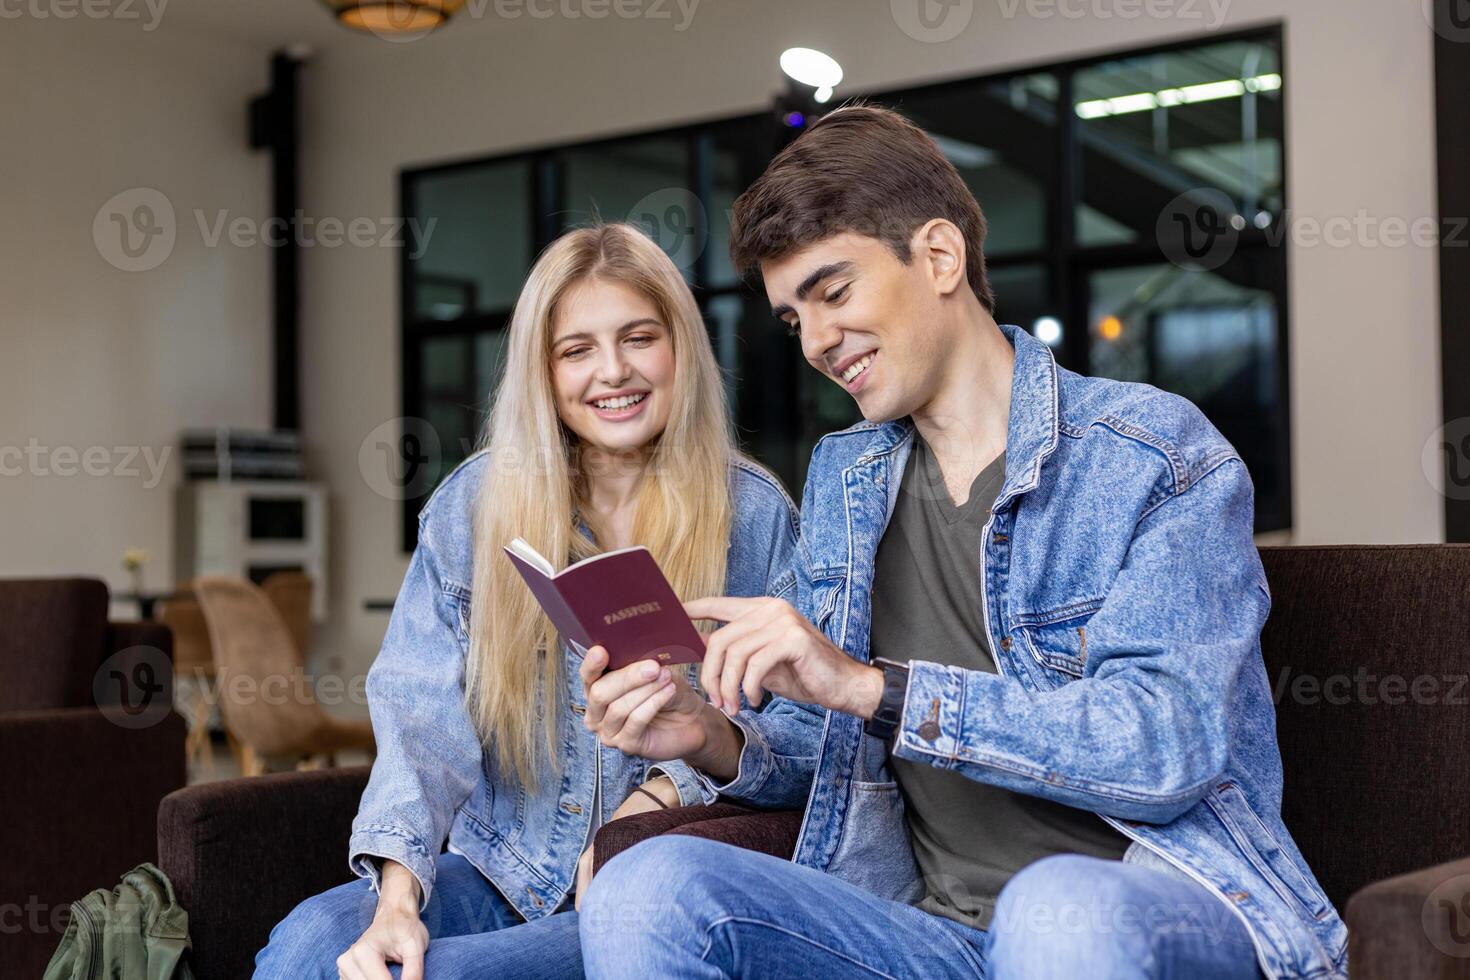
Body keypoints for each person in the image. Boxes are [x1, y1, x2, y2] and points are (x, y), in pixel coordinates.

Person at [577, 106, 1347, 980]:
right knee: (650, 886)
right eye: (795, 321)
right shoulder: (845, 477)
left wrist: (876, 688)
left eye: (834, 292)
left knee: (1054, 914)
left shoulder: (1156, 455)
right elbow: (815, 752)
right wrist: (710, 735)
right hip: (933, 935)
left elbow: (1164, 746)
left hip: (1141, 906)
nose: (820, 343)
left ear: (939, 257)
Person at [254, 223, 798, 980]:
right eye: (577, 350)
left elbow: (794, 745)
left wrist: (655, 801)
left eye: (639, 338)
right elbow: (420, 723)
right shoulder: (475, 503)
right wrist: (398, 902)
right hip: (498, 872)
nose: (613, 371)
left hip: (642, 890)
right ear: (543, 372)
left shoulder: (756, 513)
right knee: (310, 941)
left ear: (680, 348)